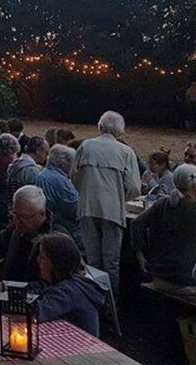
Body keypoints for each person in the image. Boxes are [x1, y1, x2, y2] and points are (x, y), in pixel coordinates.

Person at [73, 111, 141, 295]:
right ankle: (112, 304)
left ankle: (94, 298)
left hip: (87, 207)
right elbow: (134, 187)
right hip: (112, 210)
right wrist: (120, 198)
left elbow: (73, 175)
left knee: (93, 261)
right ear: (120, 130)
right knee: (111, 262)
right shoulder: (125, 151)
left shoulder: (86, 146)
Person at [131, 164, 196, 291]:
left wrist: (140, 256)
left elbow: (136, 224)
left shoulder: (161, 204)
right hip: (186, 280)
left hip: (159, 276)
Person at [37, 145, 81, 246]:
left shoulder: (44, 174)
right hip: (69, 231)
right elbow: (77, 210)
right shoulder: (59, 181)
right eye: (72, 163)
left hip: (55, 226)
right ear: (63, 164)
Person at [6, 136, 47, 201]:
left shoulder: (14, 165)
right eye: (46, 152)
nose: (46, 156)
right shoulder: (32, 171)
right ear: (38, 151)